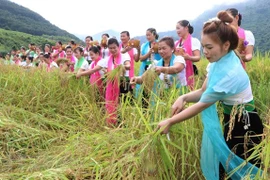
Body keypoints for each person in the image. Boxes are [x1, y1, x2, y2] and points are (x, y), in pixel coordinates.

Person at [157, 11, 263, 180]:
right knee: (229, 168)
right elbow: (202, 91)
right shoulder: (218, 62)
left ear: (226, 45)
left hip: (245, 124)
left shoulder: (229, 73)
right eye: (204, 47)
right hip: (232, 119)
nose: (205, 52)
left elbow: (203, 103)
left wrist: (170, 121)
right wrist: (183, 98)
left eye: (209, 47)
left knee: (243, 171)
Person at [175, 20, 201, 89]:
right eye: (176, 29)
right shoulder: (176, 43)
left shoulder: (194, 41)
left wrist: (189, 57)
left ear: (186, 28)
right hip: (177, 71)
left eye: (178, 28)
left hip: (187, 71)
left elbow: (198, 57)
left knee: (187, 92)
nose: (177, 31)